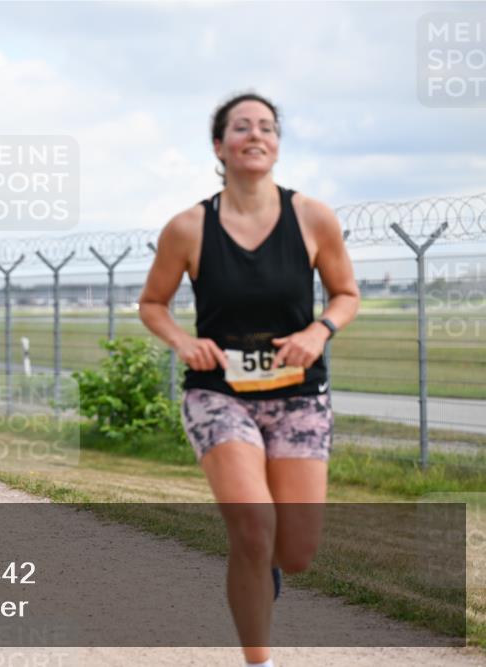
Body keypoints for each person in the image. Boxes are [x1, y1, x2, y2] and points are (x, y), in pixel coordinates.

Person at [138, 93, 359, 667]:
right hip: (218, 393)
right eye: (241, 127)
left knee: (296, 549)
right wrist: (182, 341)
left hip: (299, 393)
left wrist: (320, 330)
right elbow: (153, 304)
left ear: (278, 144)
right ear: (220, 146)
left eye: (267, 127)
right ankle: (258, 660)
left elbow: (346, 293)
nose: (255, 135)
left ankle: (268, 567)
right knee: (253, 527)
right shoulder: (188, 227)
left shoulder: (313, 217)